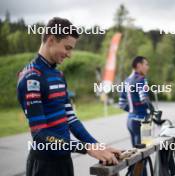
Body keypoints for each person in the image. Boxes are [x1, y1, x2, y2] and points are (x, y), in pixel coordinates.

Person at [17, 17, 121, 176]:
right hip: (44, 165)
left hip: (65, 161)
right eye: (67, 48)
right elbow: (39, 134)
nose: (70, 54)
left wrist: (97, 146)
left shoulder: (59, 74)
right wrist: (85, 148)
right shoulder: (31, 77)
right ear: (51, 40)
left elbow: (71, 119)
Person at [118, 56, 153, 147]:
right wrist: (153, 111)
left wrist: (133, 111)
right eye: (146, 64)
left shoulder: (127, 80)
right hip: (143, 121)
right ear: (139, 65)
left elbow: (121, 104)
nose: (148, 67)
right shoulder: (141, 79)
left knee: (136, 157)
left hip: (130, 121)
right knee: (145, 152)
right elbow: (144, 99)